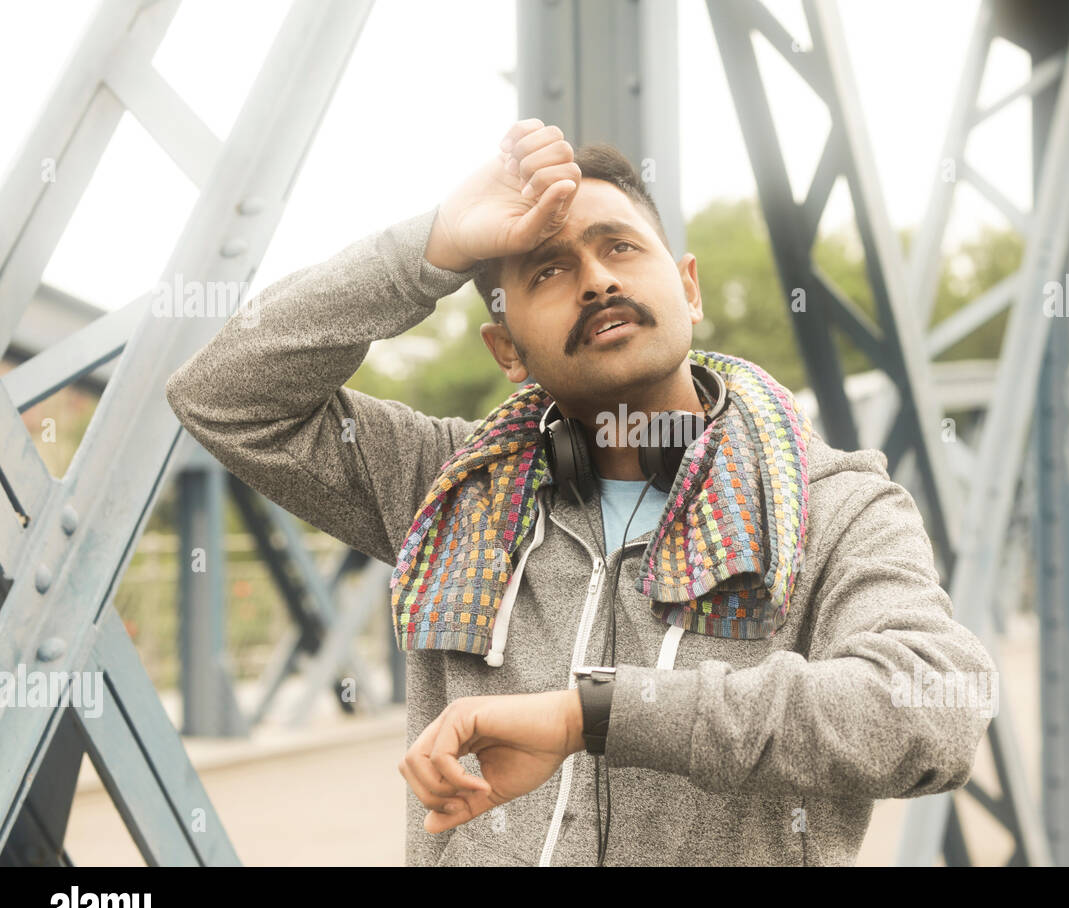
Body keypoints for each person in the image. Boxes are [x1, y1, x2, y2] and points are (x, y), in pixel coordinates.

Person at [165, 117, 997, 866]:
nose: (595, 279)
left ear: (691, 288)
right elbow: (224, 396)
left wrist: (592, 715)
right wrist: (435, 245)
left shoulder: (833, 505)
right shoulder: (446, 486)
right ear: (507, 350)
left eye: (620, 247)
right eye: (549, 270)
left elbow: (938, 705)